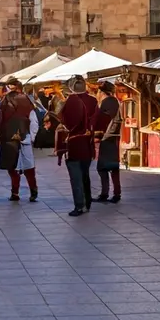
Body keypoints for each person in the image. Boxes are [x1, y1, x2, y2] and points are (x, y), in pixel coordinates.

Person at [57, 75, 97, 216]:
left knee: (76, 177)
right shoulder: (93, 101)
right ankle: (88, 202)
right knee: (85, 174)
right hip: (88, 143)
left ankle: (79, 205)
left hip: (74, 143)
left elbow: (68, 123)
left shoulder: (72, 102)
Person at [0, 79, 39, 202]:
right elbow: (34, 121)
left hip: (10, 138)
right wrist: (31, 136)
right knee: (27, 166)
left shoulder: (3, 102)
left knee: (14, 167)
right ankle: (31, 191)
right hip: (23, 136)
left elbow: (0, 120)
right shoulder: (27, 100)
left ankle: (16, 192)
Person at [93, 81, 123, 203]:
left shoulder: (108, 102)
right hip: (112, 137)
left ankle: (108, 193)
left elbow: (103, 120)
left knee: (104, 167)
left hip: (108, 137)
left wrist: (97, 136)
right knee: (111, 167)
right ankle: (114, 193)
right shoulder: (113, 101)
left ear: (101, 92)